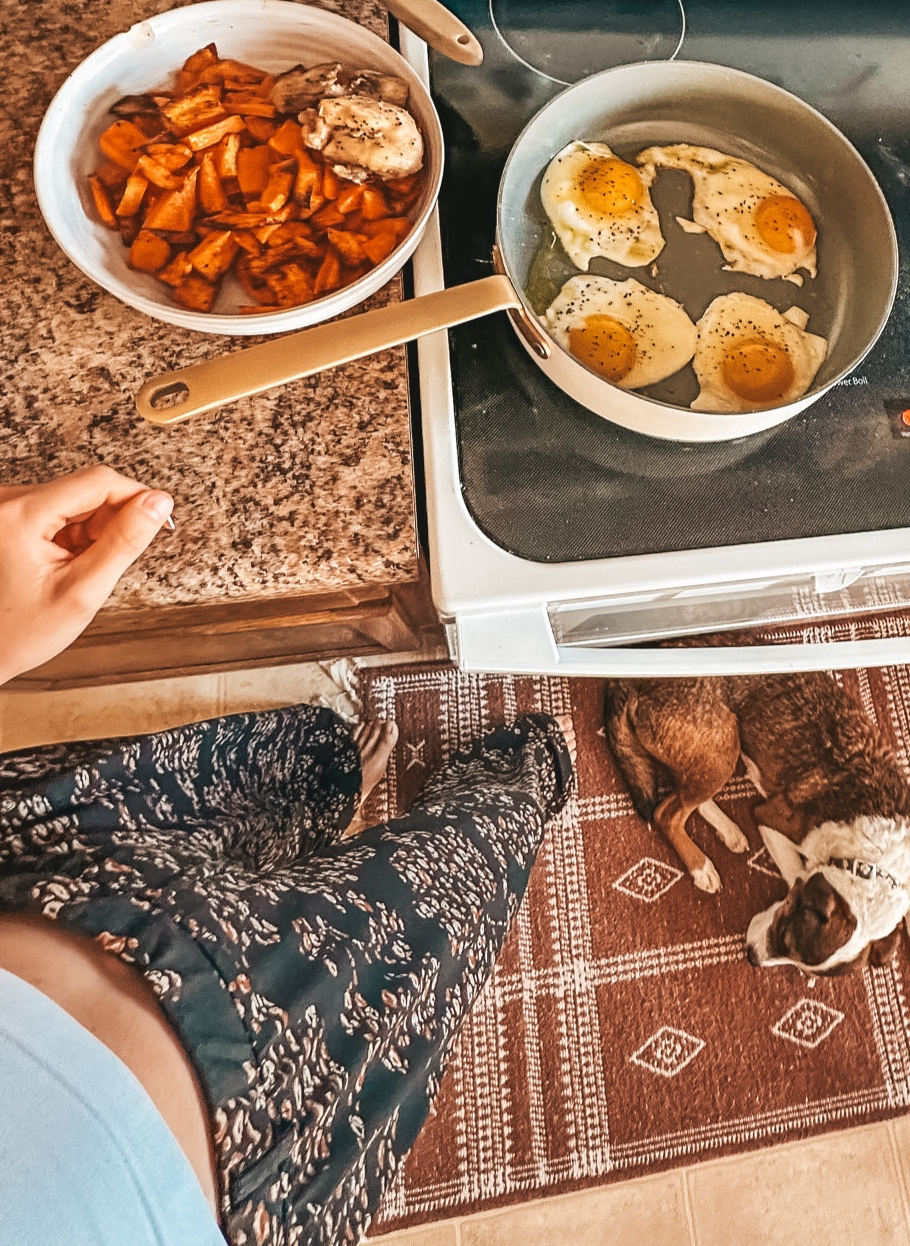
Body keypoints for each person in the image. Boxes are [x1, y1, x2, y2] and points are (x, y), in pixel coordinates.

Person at [0, 467, 574, 1245]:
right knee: (454, 877)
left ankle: (334, 782)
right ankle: (521, 773)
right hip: (242, 1127)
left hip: (30, 865)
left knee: (261, 774)